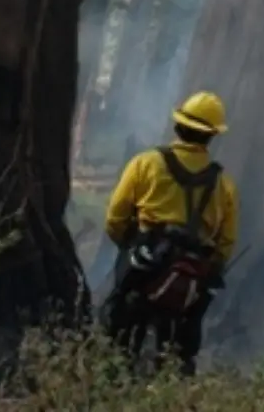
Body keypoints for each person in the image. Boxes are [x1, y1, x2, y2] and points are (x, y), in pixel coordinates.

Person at [101, 91, 238, 375]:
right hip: (191, 278)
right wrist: (209, 268)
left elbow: (115, 217)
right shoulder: (225, 185)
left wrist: (129, 246)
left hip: (144, 266)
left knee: (119, 339)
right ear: (211, 136)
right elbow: (226, 242)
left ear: (178, 126)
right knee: (180, 349)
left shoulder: (145, 164)